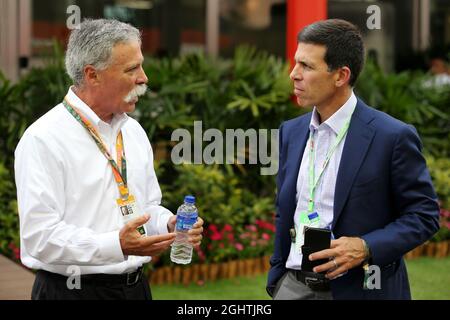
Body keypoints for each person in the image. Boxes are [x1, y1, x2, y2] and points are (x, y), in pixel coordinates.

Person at [14, 19, 204, 300]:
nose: (144, 77)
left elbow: (146, 206)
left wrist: (168, 224)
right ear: (93, 75)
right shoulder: (44, 138)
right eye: (132, 69)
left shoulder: (133, 131)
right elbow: (40, 237)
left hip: (136, 289)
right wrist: (117, 244)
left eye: (141, 65)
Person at [267, 19, 440, 300]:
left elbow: (424, 215)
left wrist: (366, 246)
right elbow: (285, 209)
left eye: (307, 66)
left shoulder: (392, 136)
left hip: (362, 290)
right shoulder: (291, 132)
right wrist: (277, 279)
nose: (293, 74)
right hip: (292, 287)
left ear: (341, 76)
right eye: (296, 63)